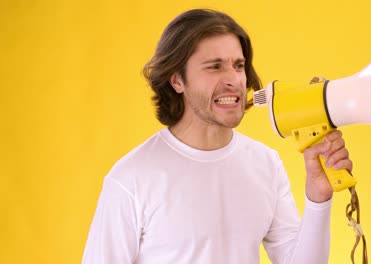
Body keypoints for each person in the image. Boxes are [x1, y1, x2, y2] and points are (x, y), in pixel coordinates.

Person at [82, 8, 352, 264]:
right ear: (177, 80)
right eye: (214, 67)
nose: (234, 80)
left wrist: (318, 197)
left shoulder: (265, 164)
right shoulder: (132, 178)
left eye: (238, 66)